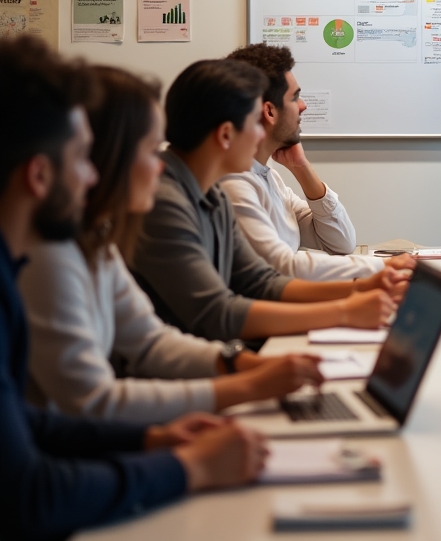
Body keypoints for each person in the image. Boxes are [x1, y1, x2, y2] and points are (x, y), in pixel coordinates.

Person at [0, 38, 266, 540]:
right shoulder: (40, 263)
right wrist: (191, 466)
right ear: (39, 174)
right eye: (82, 158)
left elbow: (33, 422)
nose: (92, 174)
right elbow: (31, 490)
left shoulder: (74, 247)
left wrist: (152, 438)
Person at [21, 65, 327, 422]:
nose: (159, 165)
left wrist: (246, 365)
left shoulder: (96, 241)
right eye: (151, 150)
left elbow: (151, 340)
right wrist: (249, 384)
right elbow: (93, 403)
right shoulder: (50, 257)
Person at [131, 59, 403, 343]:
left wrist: (362, 288)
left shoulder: (211, 193)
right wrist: (345, 310)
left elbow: (261, 281)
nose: (261, 134)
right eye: (254, 124)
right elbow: (216, 314)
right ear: (226, 134)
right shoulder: (164, 201)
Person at [221, 43, 413, 281]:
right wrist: (380, 268)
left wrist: (301, 167)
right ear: (270, 112)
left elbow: (340, 243)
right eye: (295, 97)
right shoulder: (233, 183)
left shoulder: (268, 176)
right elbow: (281, 266)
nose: (303, 106)